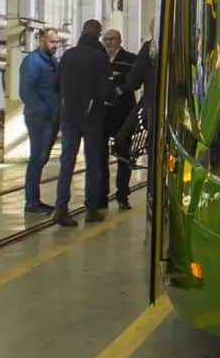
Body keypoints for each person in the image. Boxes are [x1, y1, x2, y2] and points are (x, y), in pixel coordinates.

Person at [54, 19, 113, 227]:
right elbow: (106, 90)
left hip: (68, 115)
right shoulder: (99, 57)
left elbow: (57, 84)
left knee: (67, 161)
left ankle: (61, 207)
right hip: (92, 117)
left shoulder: (68, 55)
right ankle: (91, 209)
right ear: (98, 35)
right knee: (93, 162)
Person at [100, 31, 151, 211]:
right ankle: (101, 195)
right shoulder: (99, 59)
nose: (108, 43)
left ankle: (122, 194)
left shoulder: (131, 59)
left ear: (120, 40)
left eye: (112, 39)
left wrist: (118, 91)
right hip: (103, 115)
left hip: (123, 113)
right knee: (100, 157)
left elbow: (134, 81)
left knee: (123, 154)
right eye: (105, 39)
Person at [20, 29, 61, 215]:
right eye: (52, 41)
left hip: (52, 118)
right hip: (39, 119)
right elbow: (27, 91)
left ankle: (34, 200)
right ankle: (32, 202)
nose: (55, 45)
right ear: (41, 40)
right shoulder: (32, 62)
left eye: (57, 42)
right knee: (36, 159)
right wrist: (44, 112)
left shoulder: (53, 62)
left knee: (41, 159)